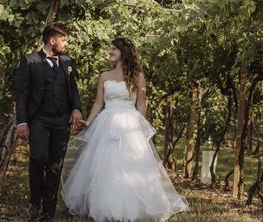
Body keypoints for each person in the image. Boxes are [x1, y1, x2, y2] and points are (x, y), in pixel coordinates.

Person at [61, 36, 189, 221]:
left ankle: (135, 207)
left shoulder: (138, 77)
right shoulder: (104, 76)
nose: (110, 51)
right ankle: (105, 206)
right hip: (106, 123)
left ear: (124, 52)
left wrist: (142, 128)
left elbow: (141, 106)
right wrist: (89, 121)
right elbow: (99, 103)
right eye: (110, 48)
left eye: (114, 48)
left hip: (130, 124)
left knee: (131, 165)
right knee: (104, 165)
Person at [15, 22, 84, 220]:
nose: (66, 44)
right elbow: (22, 94)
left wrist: (76, 109)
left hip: (61, 119)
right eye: (64, 40)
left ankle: (48, 211)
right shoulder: (30, 61)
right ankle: (35, 203)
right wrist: (22, 122)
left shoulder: (67, 62)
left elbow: (73, 89)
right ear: (52, 40)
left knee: (55, 165)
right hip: (39, 118)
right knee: (38, 158)